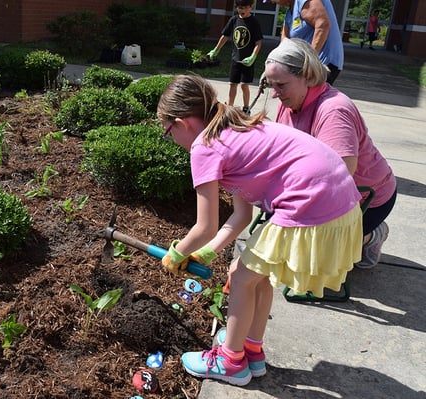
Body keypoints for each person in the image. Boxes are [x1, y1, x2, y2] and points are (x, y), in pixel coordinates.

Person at [156, 74, 363, 385]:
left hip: (312, 200)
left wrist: (177, 253)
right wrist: (208, 252)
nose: (170, 138)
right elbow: (241, 215)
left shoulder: (204, 147)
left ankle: (229, 362)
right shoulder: (232, 127)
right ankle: (251, 351)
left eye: (167, 131)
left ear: (182, 122)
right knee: (258, 276)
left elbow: (205, 225)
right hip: (338, 197)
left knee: (241, 277)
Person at [264, 38, 397, 269]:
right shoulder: (288, 100)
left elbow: (340, 176)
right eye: (270, 84)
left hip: (366, 199)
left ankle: (369, 237)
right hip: (322, 189)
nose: (274, 94)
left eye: (281, 85)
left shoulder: (334, 110)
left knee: (312, 261)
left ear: (306, 75)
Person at [266, 0, 343, 84]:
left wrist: (311, 61)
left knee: (304, 95)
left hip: (322, 64)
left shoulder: (303, 1)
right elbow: (284, 41)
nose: (273, 2)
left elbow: (322, 24)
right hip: (303, 65)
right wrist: (274, 65)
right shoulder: (290, 12)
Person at [207, 0, 263, 114]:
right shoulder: (234, 20)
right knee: (233, 84)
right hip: (235, 59)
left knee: (244, 85)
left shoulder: (254, 22)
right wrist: (216, 50)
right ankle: (230, 106)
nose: (241, 10)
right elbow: (225, 36)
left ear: (251, 7)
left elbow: (258, 42)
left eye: (244, 8)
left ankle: (246, 107)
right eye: (239, 8)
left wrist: (253, 56)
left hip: (247, 61)